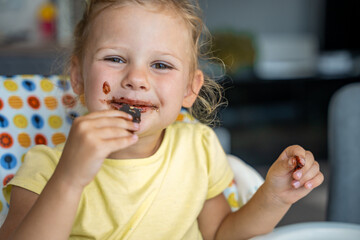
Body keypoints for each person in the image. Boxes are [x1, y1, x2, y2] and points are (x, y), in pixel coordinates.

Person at [0, 0, 324, 239]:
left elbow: (221, 234)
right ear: (78, 77)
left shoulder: (198, 149)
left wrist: (274, 196)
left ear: (189, 89)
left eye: (161, 65)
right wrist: (69, 179)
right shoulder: (46, 166)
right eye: (115, 58)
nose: (137, 78)